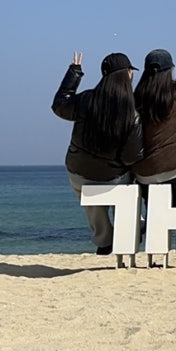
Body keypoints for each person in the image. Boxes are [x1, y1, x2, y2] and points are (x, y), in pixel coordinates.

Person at [52, 50, 143, 254]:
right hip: (114, 179)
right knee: (127, 181)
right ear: (128, 74)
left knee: (88, 188)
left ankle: (104, 240)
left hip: (79, 174)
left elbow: (59, 106)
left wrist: (74, 72)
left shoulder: (85, 100)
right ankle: (132, 226)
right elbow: (132, 156)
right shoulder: (131, 111)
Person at [133, 4, 176, 267]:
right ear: (169, 71)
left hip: (146, 173)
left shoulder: (136, 100)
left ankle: (156, 253)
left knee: (154, 210)